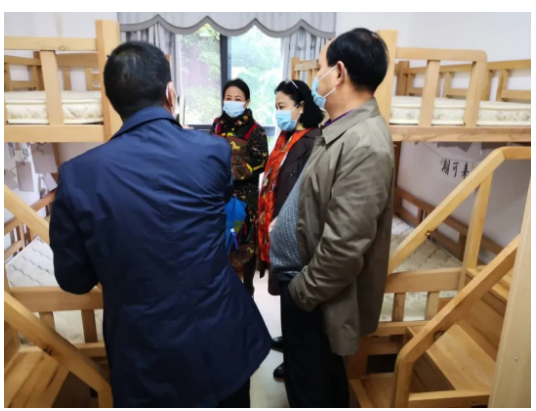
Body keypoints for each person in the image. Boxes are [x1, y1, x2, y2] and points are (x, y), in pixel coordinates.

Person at [49, 41, 271, 408]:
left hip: (145, 355)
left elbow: (74, 279)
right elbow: (211, 215)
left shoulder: (78, 176)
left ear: (113, 102)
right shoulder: (212, 151)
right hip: (221, 341)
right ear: (170, 93)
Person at [269, 28, 394, 407]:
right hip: (302, 283)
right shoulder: (339, 127)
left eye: (320, 68)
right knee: (307, 377)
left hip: (313, 295)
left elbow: (343, 249)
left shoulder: (366, 144)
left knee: (314, 390)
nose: (316, 77)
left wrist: (300, 293)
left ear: (338, 73)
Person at [257, 79, 323, 381]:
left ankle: (297, 359)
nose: (278, 113)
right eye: (276, 107)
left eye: (282, 107)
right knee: (285, 294)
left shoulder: (314, 141)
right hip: (278, 226)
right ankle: (290, 340)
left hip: (293, 232)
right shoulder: (286, 136)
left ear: (301, 106)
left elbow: (305, 194)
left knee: (295, 297)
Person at [210, 79, 269, 296]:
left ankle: (248, 288)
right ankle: (222, 287)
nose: (232, 102)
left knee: (244, 243)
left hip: (245, 199)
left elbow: (262, 162)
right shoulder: (217, 125)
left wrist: (233, 172)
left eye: (237, 98)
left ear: (246, 102)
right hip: (219, 196)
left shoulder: (256, 131)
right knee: (220, 241)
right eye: (228, 98)